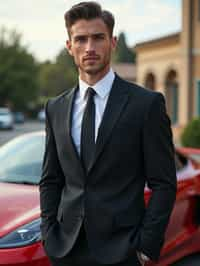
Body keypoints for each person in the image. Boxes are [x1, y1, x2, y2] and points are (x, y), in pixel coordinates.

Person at [39, 2, 177, 266]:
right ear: (69, 46)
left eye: (98, 38)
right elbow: (50, 179)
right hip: (66, 250)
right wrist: (49, 235)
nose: (89, 48)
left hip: (123, 252)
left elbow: (164, 183)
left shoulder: (146, 105)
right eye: (80, 39)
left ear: (112, 42)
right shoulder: (55, 107)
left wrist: (146, 246)